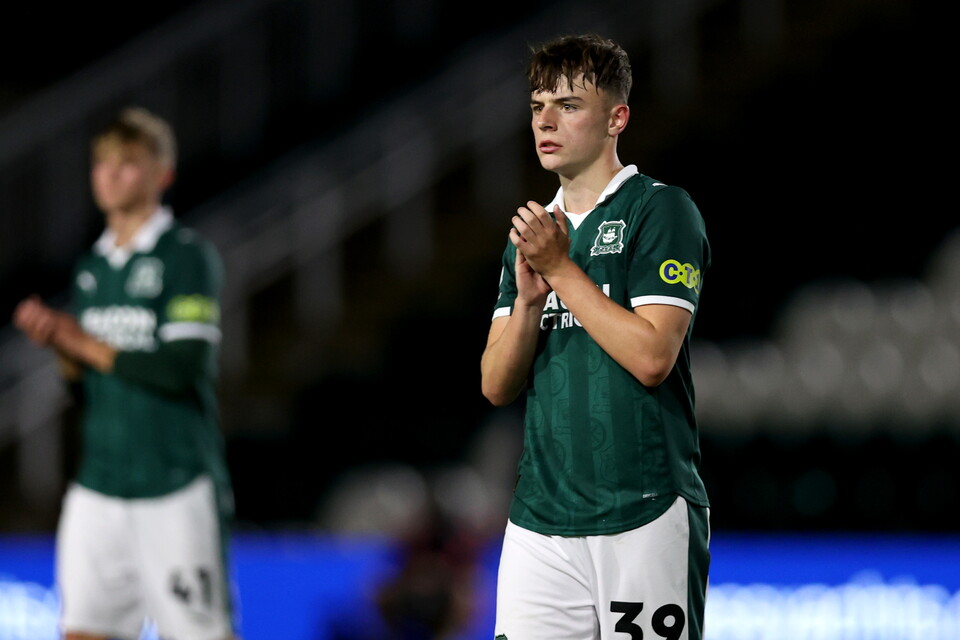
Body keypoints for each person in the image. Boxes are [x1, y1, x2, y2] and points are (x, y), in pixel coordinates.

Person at [480, 34, 711, 640]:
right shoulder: (533, 235)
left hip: (643, 511)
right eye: (538, 106)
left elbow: (653, 356)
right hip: (540, 520)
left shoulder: (660, 210)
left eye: (568, 105)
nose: (545, 121)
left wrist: (560, 270)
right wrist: (529, 303)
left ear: (617, 118)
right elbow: (496, 385)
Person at [13, 107, 239, 640]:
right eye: (101, 164)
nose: (110, 176)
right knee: (84, 632)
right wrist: (61, 345)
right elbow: (85, 387)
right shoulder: (91, 268)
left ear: (162, 174)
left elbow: (182, 367)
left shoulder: (186, 258)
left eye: (127, 163)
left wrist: (81, 341)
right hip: (99, 484)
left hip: (173, 482)